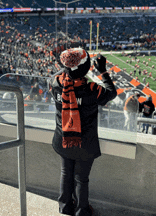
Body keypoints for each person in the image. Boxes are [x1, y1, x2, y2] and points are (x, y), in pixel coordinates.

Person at [50, 48, 117, 216]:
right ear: (86, 68)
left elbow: (62, 74)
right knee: (81, 178)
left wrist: (66, 65)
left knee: (66, 173)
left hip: (63, 138)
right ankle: (82, 210)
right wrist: (102, 70)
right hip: (85, 142)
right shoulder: (93, 89)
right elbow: (112, 92)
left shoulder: (55, 82)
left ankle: (65, 206)